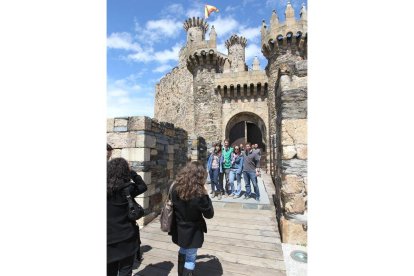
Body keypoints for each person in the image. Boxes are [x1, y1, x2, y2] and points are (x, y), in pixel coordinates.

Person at [169, 161, 214, 276]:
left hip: (179, 227)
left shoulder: (175, 187)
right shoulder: (199, 193)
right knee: (190, 257)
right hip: (193, 230)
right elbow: (209, 214)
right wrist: (206, 194)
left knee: (183, 250)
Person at [107, 158, 148, 276]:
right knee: (125, 270)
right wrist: (132, 172)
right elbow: (142, 186)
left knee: (110, 271)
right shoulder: (127, 189)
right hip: (126, 237)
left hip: (108, 239)